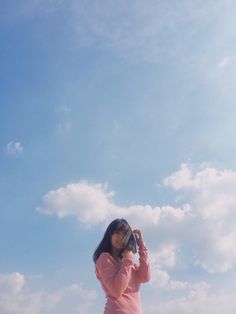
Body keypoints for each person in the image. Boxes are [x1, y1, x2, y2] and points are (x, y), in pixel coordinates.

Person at [93, 218, 151, 314]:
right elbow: (116, 291)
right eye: (117, 232)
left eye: (124, 234)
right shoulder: (105, 259)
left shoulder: (128, 263)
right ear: (110, 235)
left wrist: (141, 246)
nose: (120, 237)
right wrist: (128, 259)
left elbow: (145, 277)